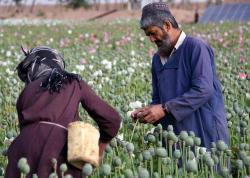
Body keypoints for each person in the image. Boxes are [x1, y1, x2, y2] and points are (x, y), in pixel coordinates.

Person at [5, 46, 121, 178]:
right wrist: (102, 144)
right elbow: (112, 119)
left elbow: (24, 129)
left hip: (22, 150)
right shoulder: (73, 81)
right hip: (59, 147)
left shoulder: (25, 92)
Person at [131, 2, 229, 149]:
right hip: (175, 138)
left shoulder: (196, 47)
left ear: (167, 25)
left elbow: (203, 90)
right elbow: (158, 99)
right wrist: (148, 112)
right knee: (180, 171)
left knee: (209, 171)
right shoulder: (157, 60)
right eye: (148, 35)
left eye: (152, 33)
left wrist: (164, 109)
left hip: (205, 131)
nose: (151, 39)